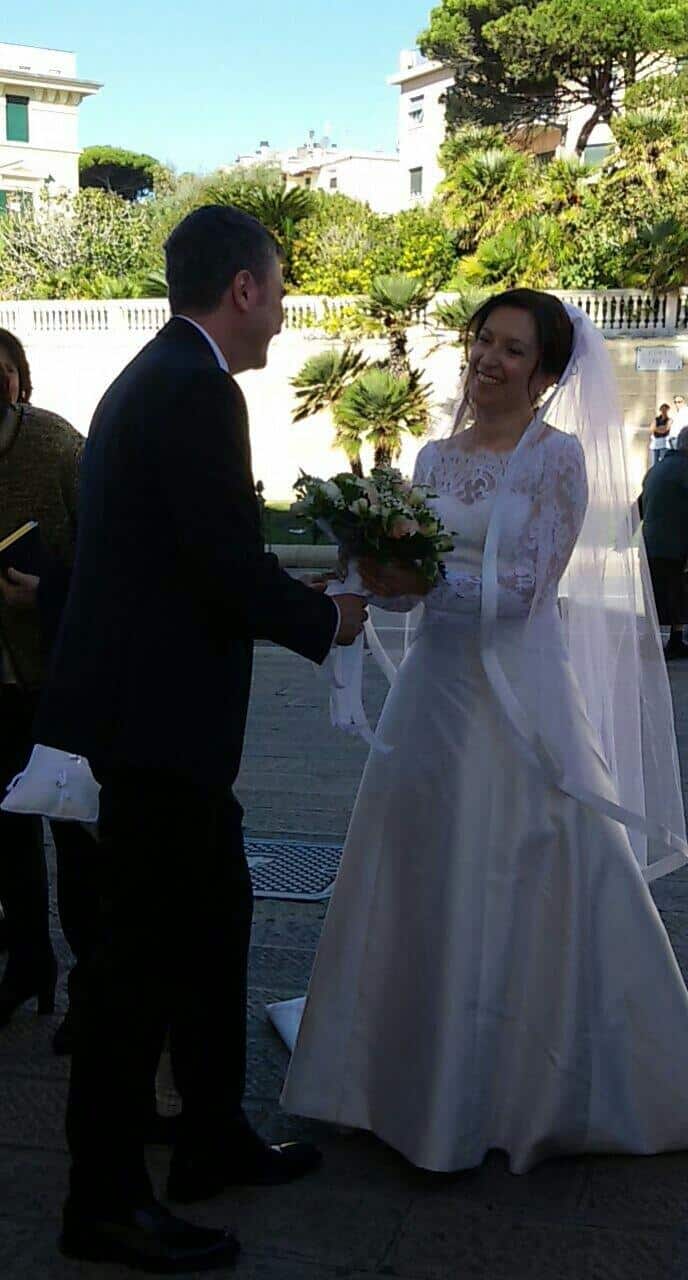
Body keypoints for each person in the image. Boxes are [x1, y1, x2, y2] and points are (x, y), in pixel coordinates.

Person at [279, 288, 688, 1177]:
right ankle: (395, 1082)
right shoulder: (431, 455)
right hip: (435, 693)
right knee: (422, 865)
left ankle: (514, 1087)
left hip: (517, 699)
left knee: (519, 864)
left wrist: (411, 579)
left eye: (512, 350)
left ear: (544, 373)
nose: (489, 362)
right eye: (483, 343)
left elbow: (525, 592)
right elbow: (400, 591)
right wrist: (365, 583)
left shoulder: (558, 461)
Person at [34, 205, 367, 1274]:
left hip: (156, 722)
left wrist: (287, 592)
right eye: (279, 286)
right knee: (134, 970)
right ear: (243, 289)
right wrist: (325, 618)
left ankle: (212, 1131)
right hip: (154, 731)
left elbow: (187, 557)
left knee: (216, 923)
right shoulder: (195, 389)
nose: (283, 308)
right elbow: (224, 564)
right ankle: (105, 1201)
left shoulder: (157, 377)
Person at [0, 330, 98, 1052]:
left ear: (18, 381)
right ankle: (27, 963)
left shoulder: (59, 446)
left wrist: (50, 593)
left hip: (53, 674)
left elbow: (108, 555)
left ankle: (93, 990)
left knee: (74, 831)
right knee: (6, 835)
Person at [640, 425, 688, 660]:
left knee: (657, 593)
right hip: (672, 544)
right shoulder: (684, 470)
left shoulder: (657, 468)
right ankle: (676, 640)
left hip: (650, 541)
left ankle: (652, 639)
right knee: (675, 591)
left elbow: (640, 503)